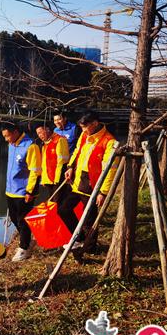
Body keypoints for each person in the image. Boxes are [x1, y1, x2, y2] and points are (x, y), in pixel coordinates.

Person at [57, 110, 118, 260]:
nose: (83, 130)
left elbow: (110, 169)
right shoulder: (84, 136)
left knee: (89, 219)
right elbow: (77, 151)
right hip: (78, 181)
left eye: (85, 127)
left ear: (95, 123)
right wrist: (70, 167)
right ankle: (79, 238)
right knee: (63, 209)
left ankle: (91, 248)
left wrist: (103, 192)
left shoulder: (110, 141)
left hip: (93, 184)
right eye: (82, 127)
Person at [1, 123, 41, 261]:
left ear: (16, 132)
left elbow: (35, 171)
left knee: (23, 220)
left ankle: (24, 248)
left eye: (7, 136)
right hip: (11, 190)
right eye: (4, 137)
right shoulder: (12, 144)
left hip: (24, 192)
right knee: (14, 218)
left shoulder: (31, 146)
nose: (6, 139)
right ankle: (28, 240)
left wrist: (30, 191)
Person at [35, 123, 70, 201]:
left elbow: (62, 162)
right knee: (52, 202)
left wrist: (57, 179)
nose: (40, 135)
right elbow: (44, 163)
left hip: (57, 179)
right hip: (49, 180)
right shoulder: (45, 144)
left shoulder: (59, 140)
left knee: (57, 202)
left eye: (41, 132)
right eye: (38, 134)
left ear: (47, 129)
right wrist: (44, 179)